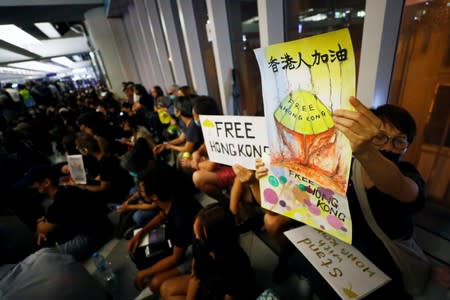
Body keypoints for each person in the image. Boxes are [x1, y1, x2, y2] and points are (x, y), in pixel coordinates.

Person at [257, 98, 426, 298]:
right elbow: (303, 196)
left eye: (399, 141)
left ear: (407, 147)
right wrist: (270, 177)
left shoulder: (408, 175)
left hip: (382, 261)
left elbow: (397, 185)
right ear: (368, 134)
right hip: (337, 248)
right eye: (380, 137)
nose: (388, 147)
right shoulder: (343, 166)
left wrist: (366, 150)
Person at [127, 161, 201, 293]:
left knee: (155, 284)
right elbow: (162, 215)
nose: (140, 193)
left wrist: (143, 273)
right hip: (183, 243)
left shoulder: (180, 217)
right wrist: (141, 233)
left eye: (143, 191)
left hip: (197, 252)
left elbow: (175, 258)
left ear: (154, 196)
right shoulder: (169, 198)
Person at [160, 203, 258, 299]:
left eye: (200, 234)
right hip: (208, 284)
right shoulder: (199, 242)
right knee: (165, 289)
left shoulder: (236, 264)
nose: (196, 237)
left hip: (223, 292)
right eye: (196, 232)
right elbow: (196, 276)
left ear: (217, 238)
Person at [20, 165, 113, 261]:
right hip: (103, 227)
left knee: (49, 258)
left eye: (32, 184)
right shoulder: (67, 190)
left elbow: (42, 230)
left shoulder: (59, 202)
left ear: (46, 182)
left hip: (93, 237)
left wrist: (40, 220)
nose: (30, 187)